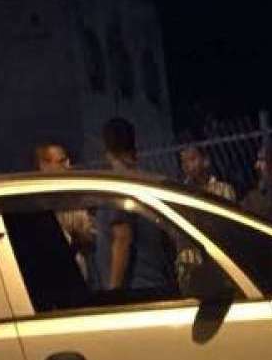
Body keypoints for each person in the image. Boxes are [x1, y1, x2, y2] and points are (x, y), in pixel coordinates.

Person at [95, 118, 170, 291]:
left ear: (107, 148)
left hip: (135, 289)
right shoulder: (142, 181)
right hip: (154, 283)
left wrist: (114, 291)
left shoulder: (120, 183)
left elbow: (122, 237)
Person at [34, 143, 96, 280]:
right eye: (61, 161)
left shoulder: (73, 198)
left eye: (67, 161)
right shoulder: (31, 202)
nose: (68, 166)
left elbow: (87, 234)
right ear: (44, 165)